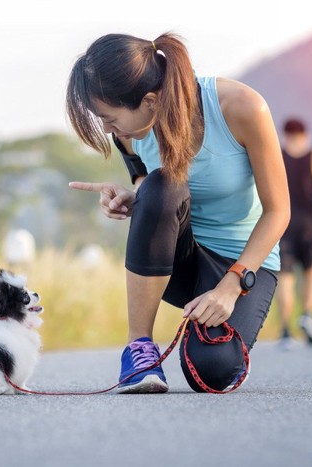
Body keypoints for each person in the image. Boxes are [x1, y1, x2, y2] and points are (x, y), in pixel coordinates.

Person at [66, 32, 290, 393]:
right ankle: (139, 350)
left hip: (241, 261)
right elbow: (149, 185)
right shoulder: (129, 129)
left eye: (108, 118)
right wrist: (132, 196)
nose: (106, 129)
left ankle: (221, 344)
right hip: (177, 261)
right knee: (162, 185)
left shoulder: (242, 107)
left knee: (212, 373)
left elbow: (279, 211)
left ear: (151, 100)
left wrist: (231, 286)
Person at [276, 118, 312, 349]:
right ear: (305, 134)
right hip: (310, 225)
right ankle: (307, 316)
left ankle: (286, 332)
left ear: (285, 134)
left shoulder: (277, 154)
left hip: (283, 223)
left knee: (285, 278)